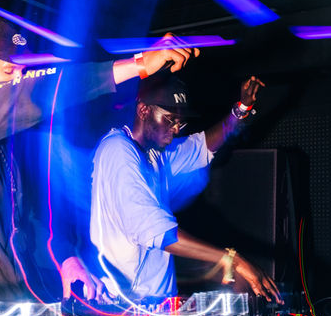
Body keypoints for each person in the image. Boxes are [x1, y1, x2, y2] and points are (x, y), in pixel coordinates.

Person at [0, 16, 198, 305]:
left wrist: (66, 258)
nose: (16, 79)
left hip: (9, 305)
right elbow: (31, 94)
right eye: (9, 69)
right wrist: (138, 65)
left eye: (21, 71)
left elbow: (29, 214)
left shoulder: (7, 134)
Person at [90, 71, 282, 303]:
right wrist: (232, 259)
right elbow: (157, 232)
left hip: (158, 306)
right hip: (124, 308)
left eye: (180, 122)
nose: (176, 129)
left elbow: (203, 146)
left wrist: (241, 109)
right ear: (143, 110)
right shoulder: (118, 151)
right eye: (170, 119)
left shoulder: (156, 153)